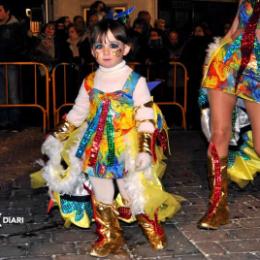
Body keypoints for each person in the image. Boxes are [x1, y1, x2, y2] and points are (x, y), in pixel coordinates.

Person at [34, 18, 183, 257]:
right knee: (101, 192)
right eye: (100, 46)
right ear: (92, 50)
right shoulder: (90, 81)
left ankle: (150, 226)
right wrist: (57, 137)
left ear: (125, 49)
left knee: (131, 191)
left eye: (113, 45)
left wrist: (145, 149)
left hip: (127, 147)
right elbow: (77, 114)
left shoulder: (135, 81)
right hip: (96, 147)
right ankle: (110, 235)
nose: (106, 51)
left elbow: (145, 116)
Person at [198, 0, 260, 230]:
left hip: (257, 69)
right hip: (227, 63)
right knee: (219, 132)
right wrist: (212, 60)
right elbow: (233, 31)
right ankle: (218, 206)